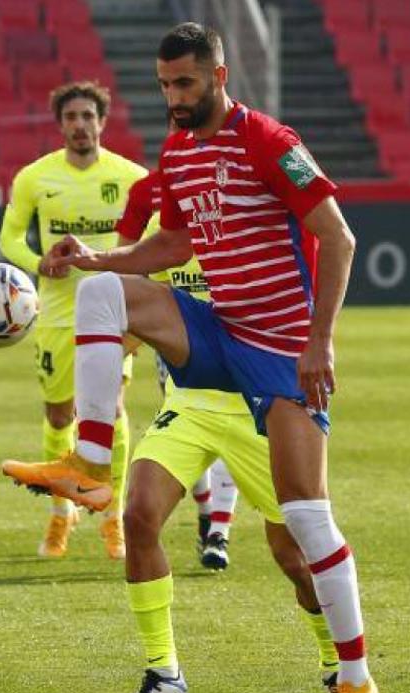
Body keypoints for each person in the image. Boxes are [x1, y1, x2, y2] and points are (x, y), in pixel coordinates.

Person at [3, 23, 378, 693]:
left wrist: (320, 341)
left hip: (279, 348)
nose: (174, 97)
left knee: (305, 522)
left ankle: (357, 682)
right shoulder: (178, 151)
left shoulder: (269, 140)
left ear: (218, 75)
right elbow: (173, 244)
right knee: (104, 293)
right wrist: (97, 257)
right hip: (218, 333)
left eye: (185, 83)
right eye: (164, 84)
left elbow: (338, 238)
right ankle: (89, 463)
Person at [111, 167, 342, 693]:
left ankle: (337, 663)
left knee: (294, 557)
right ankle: (163, 672)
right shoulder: (171, 239)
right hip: (190, 404)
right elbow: (146, 315)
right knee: (139, 515)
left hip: (260, 406)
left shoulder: (257, 233)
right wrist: (105, 361)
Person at [0, 81, 148, 560]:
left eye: (88, 116)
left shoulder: (131, 178)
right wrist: (38, 263)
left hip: (113, 313)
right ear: (60, 124)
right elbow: (9, 239)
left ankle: (113, 517)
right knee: (60, 415)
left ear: (102, 121)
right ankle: (62, 511)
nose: (80, 125)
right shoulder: (35, 178)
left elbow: (151, 241)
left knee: (113, 410)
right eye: (71, 117)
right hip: (58, 316)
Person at [116, 165, 241, 571]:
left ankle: (219, 531)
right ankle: (206, 511)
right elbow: (158, 296)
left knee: (230, 429)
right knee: (192, 428)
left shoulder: (238, 223)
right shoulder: (164, 230)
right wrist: (121, 348)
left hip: (237, 351)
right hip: (179, 353)